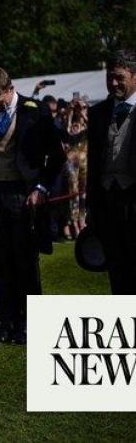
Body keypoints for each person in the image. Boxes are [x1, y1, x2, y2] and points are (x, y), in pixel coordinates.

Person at [0, 66, 65, 344]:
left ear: (10, 88)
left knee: (25, 262)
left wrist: (41, 187)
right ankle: (6, 322)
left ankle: (29, 324)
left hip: (23, 196)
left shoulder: (35, 110)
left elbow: (56, 156)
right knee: (2, 262)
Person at [86, 49, 136, 294]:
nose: (113, 83)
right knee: (116, 270)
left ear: (135, 76)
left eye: (119, 77)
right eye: (109, 77)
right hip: (107, 202)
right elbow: (93, 163)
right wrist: (91, 206)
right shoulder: (97, 113)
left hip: (133, 199)